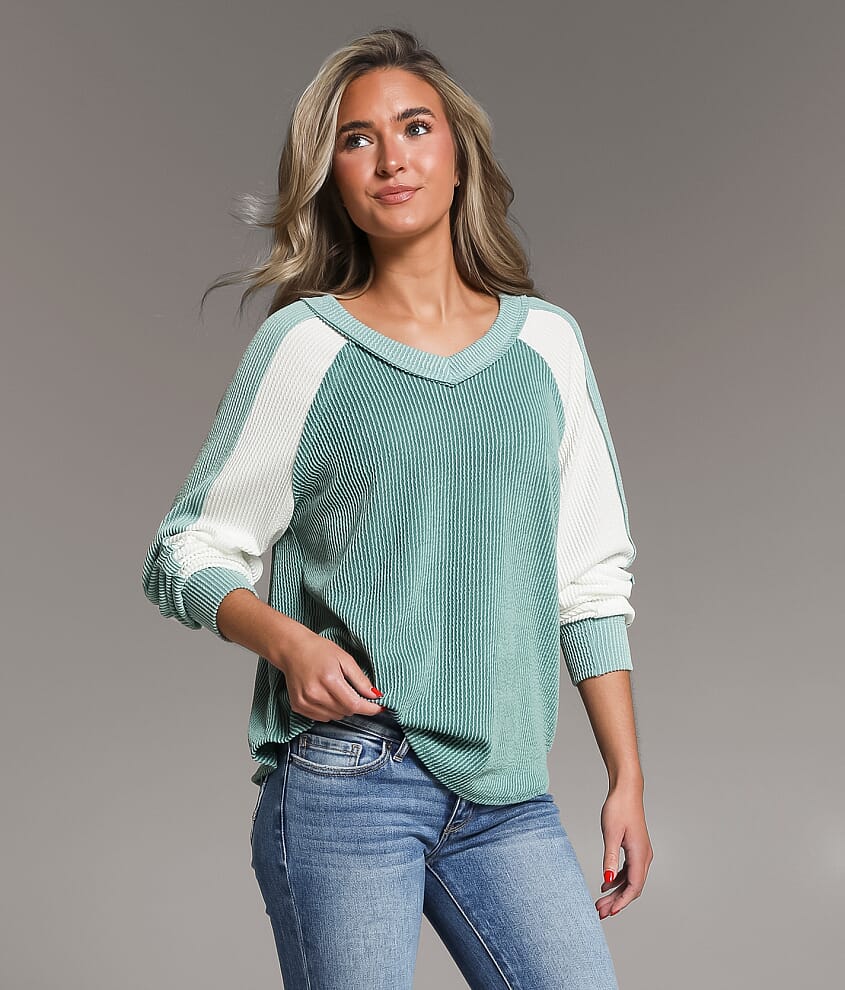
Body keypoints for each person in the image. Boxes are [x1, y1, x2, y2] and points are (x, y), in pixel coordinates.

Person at [141, 25, 653, 990]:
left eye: (415, 127)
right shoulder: (306, 347)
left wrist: (624, 777)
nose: (390, 157)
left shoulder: (547, 346)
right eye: (357, 138)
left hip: (506, 791)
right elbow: (184, 551)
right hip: (347, 781)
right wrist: (288, 644)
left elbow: (587, 579)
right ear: (333, 178)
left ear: (459, 157)